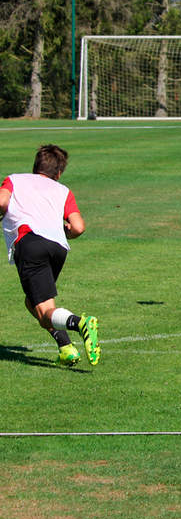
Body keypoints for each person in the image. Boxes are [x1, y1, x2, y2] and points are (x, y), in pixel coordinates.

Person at [1, 145, 100, 367]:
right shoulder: (63, 190)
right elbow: (78, 227)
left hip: (29, 243)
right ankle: (66, 348)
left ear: (36, 165)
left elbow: (1, 201)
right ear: (58, 173)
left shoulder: (15, 179)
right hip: (58, 248)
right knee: (33, 302)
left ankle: (80, 323)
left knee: (45, 311)